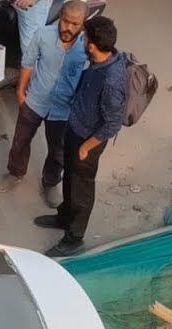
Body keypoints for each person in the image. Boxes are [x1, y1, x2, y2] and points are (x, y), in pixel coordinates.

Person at [35, 15, 126, 258]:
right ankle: (64, 217)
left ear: (92, 46)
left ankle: (74, 238)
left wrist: (87, 147)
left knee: (81, 189)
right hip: (76, 128)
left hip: (88, 140)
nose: (82, 40)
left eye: (85, 38)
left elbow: (112, 123)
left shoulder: (111, 81)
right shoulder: (99, 61)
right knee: (69, 179)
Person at [0, 0, 87, 208]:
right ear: (59, 17)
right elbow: (28, 62)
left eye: (74, 24)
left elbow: (89, 80)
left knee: (58, 150)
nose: (68, 28)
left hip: (63, 110)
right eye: (65, 21)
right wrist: (20, 92)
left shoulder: (87, 48)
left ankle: (51, 182)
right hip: (35, 100)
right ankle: (15, 172)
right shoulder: (43, 34)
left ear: (83, 24)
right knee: (20, 141)